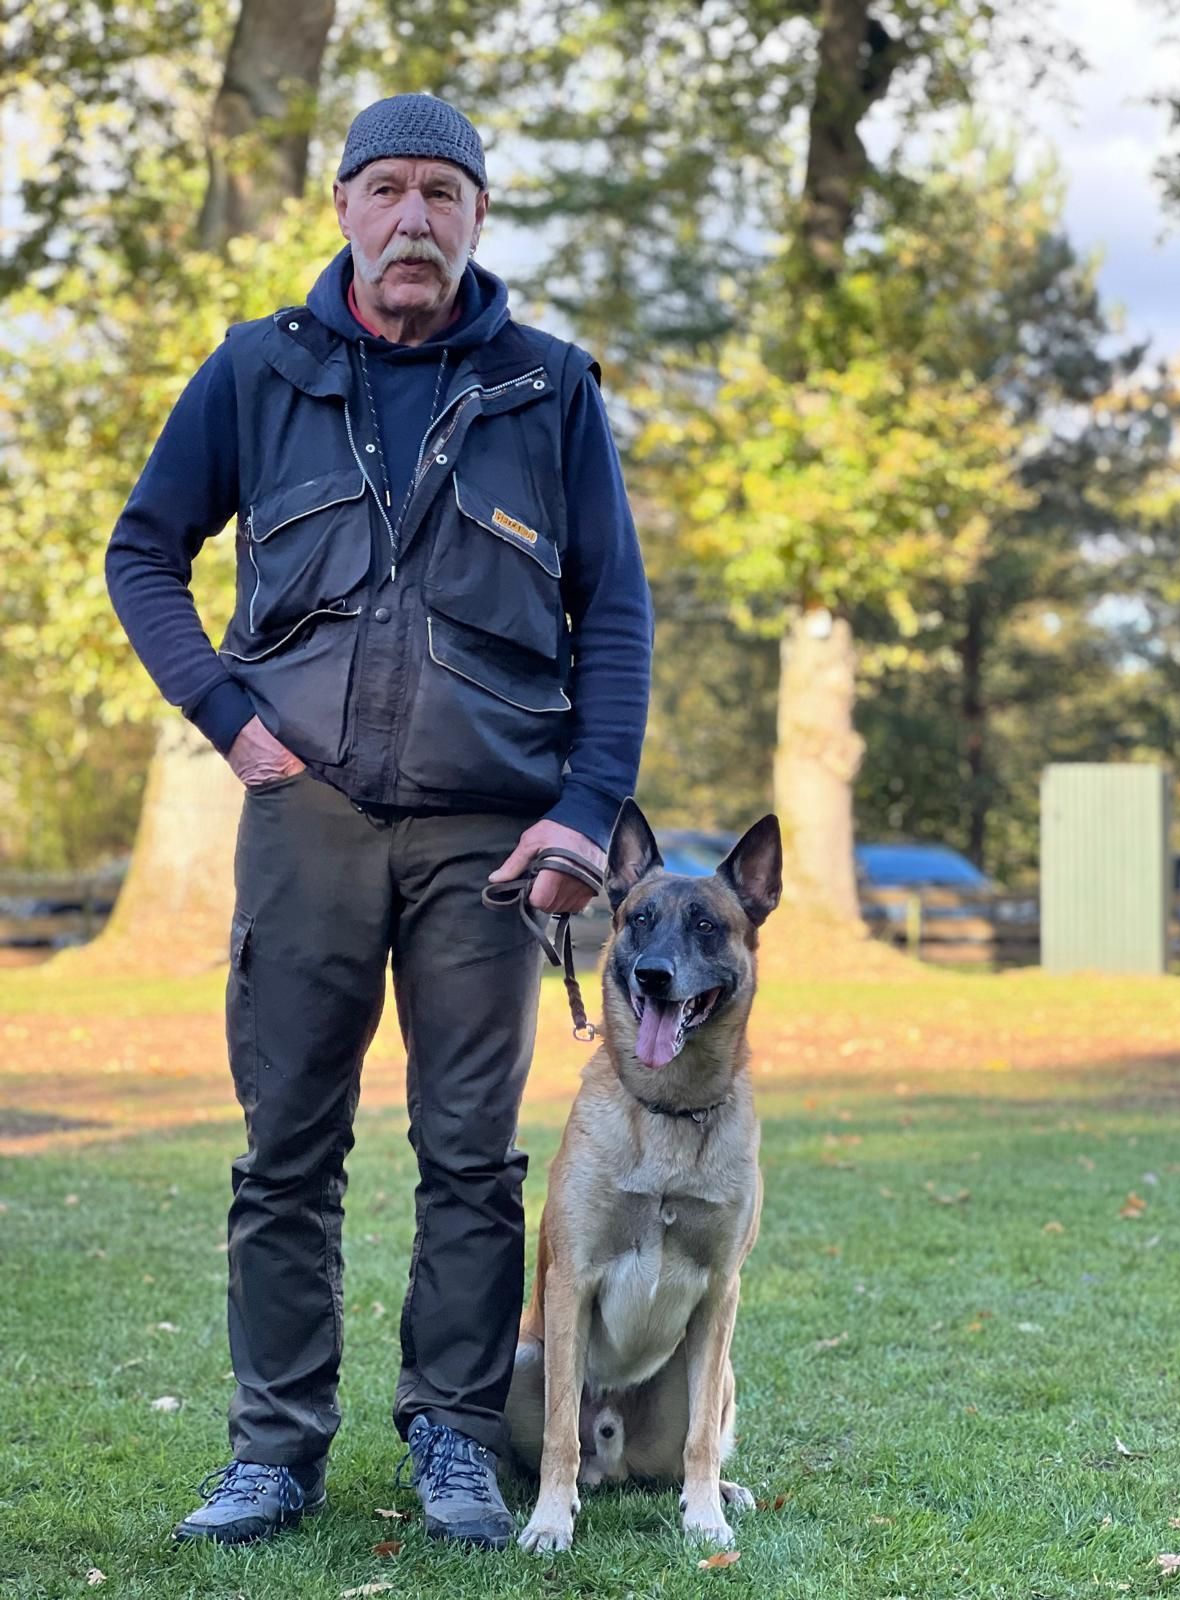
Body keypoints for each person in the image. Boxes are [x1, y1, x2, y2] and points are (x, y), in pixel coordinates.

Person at [105, 92, 653, 1550]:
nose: (415, 219)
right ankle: (274, 1452)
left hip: (495, 847)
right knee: (286, 1148)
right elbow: (143, 552)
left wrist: (585, 812)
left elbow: (614, 613)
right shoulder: (256, 370)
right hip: (309, 819)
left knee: (472, 1159)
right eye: (390, 189)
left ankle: (455, 1438)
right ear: (344, 204)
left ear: (479, 215)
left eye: (443, 194)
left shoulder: (550, 387)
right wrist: (226, 717)